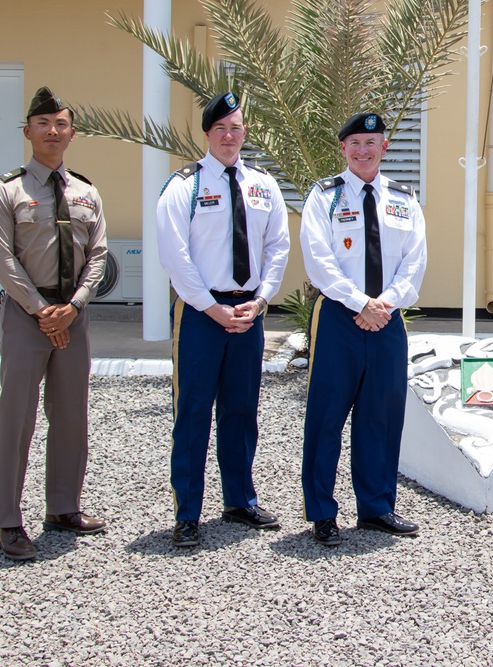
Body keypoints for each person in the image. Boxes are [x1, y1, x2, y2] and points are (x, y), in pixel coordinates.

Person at [156, 92, 289, 547]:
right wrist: (210, 307)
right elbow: (174, 255)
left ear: (244, 132)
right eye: (220, 129)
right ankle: (187, 512)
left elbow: (277, 247)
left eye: (236, 128)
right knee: (192, 413)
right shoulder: (184, 186)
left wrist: (263, 299)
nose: (229, 136)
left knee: (240, 411)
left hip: (248, 311)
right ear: (207, 135)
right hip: (200, 313)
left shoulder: (263, 185)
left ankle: (239, 500)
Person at [0, 86, 108, 560]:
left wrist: (72, 308)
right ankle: (9, 521)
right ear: (28, 131)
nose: (53, 131)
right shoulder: (6, 190)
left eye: (61, 124)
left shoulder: (86, 191)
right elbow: (2, 259)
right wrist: (41, 311)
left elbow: (98, 256)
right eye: (43, 124)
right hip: (24, 315)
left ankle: (62, 507)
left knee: (72, 415)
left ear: (72, 134)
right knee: (16, 417)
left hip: (73, 316)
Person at [300, 112, 427, 546]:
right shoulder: (324, 196)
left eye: (371, 142)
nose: (363, 150)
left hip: (387, 320)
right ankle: (321, 512)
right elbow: (318, 260)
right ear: (343, 148)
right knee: (326, 417)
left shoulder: (404, 198)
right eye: (355, 142)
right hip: (339, 317)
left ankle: (376, 507)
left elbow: (415, 261)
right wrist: (360, 303)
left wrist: (384, 305)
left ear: (384, 148)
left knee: (382, 417)